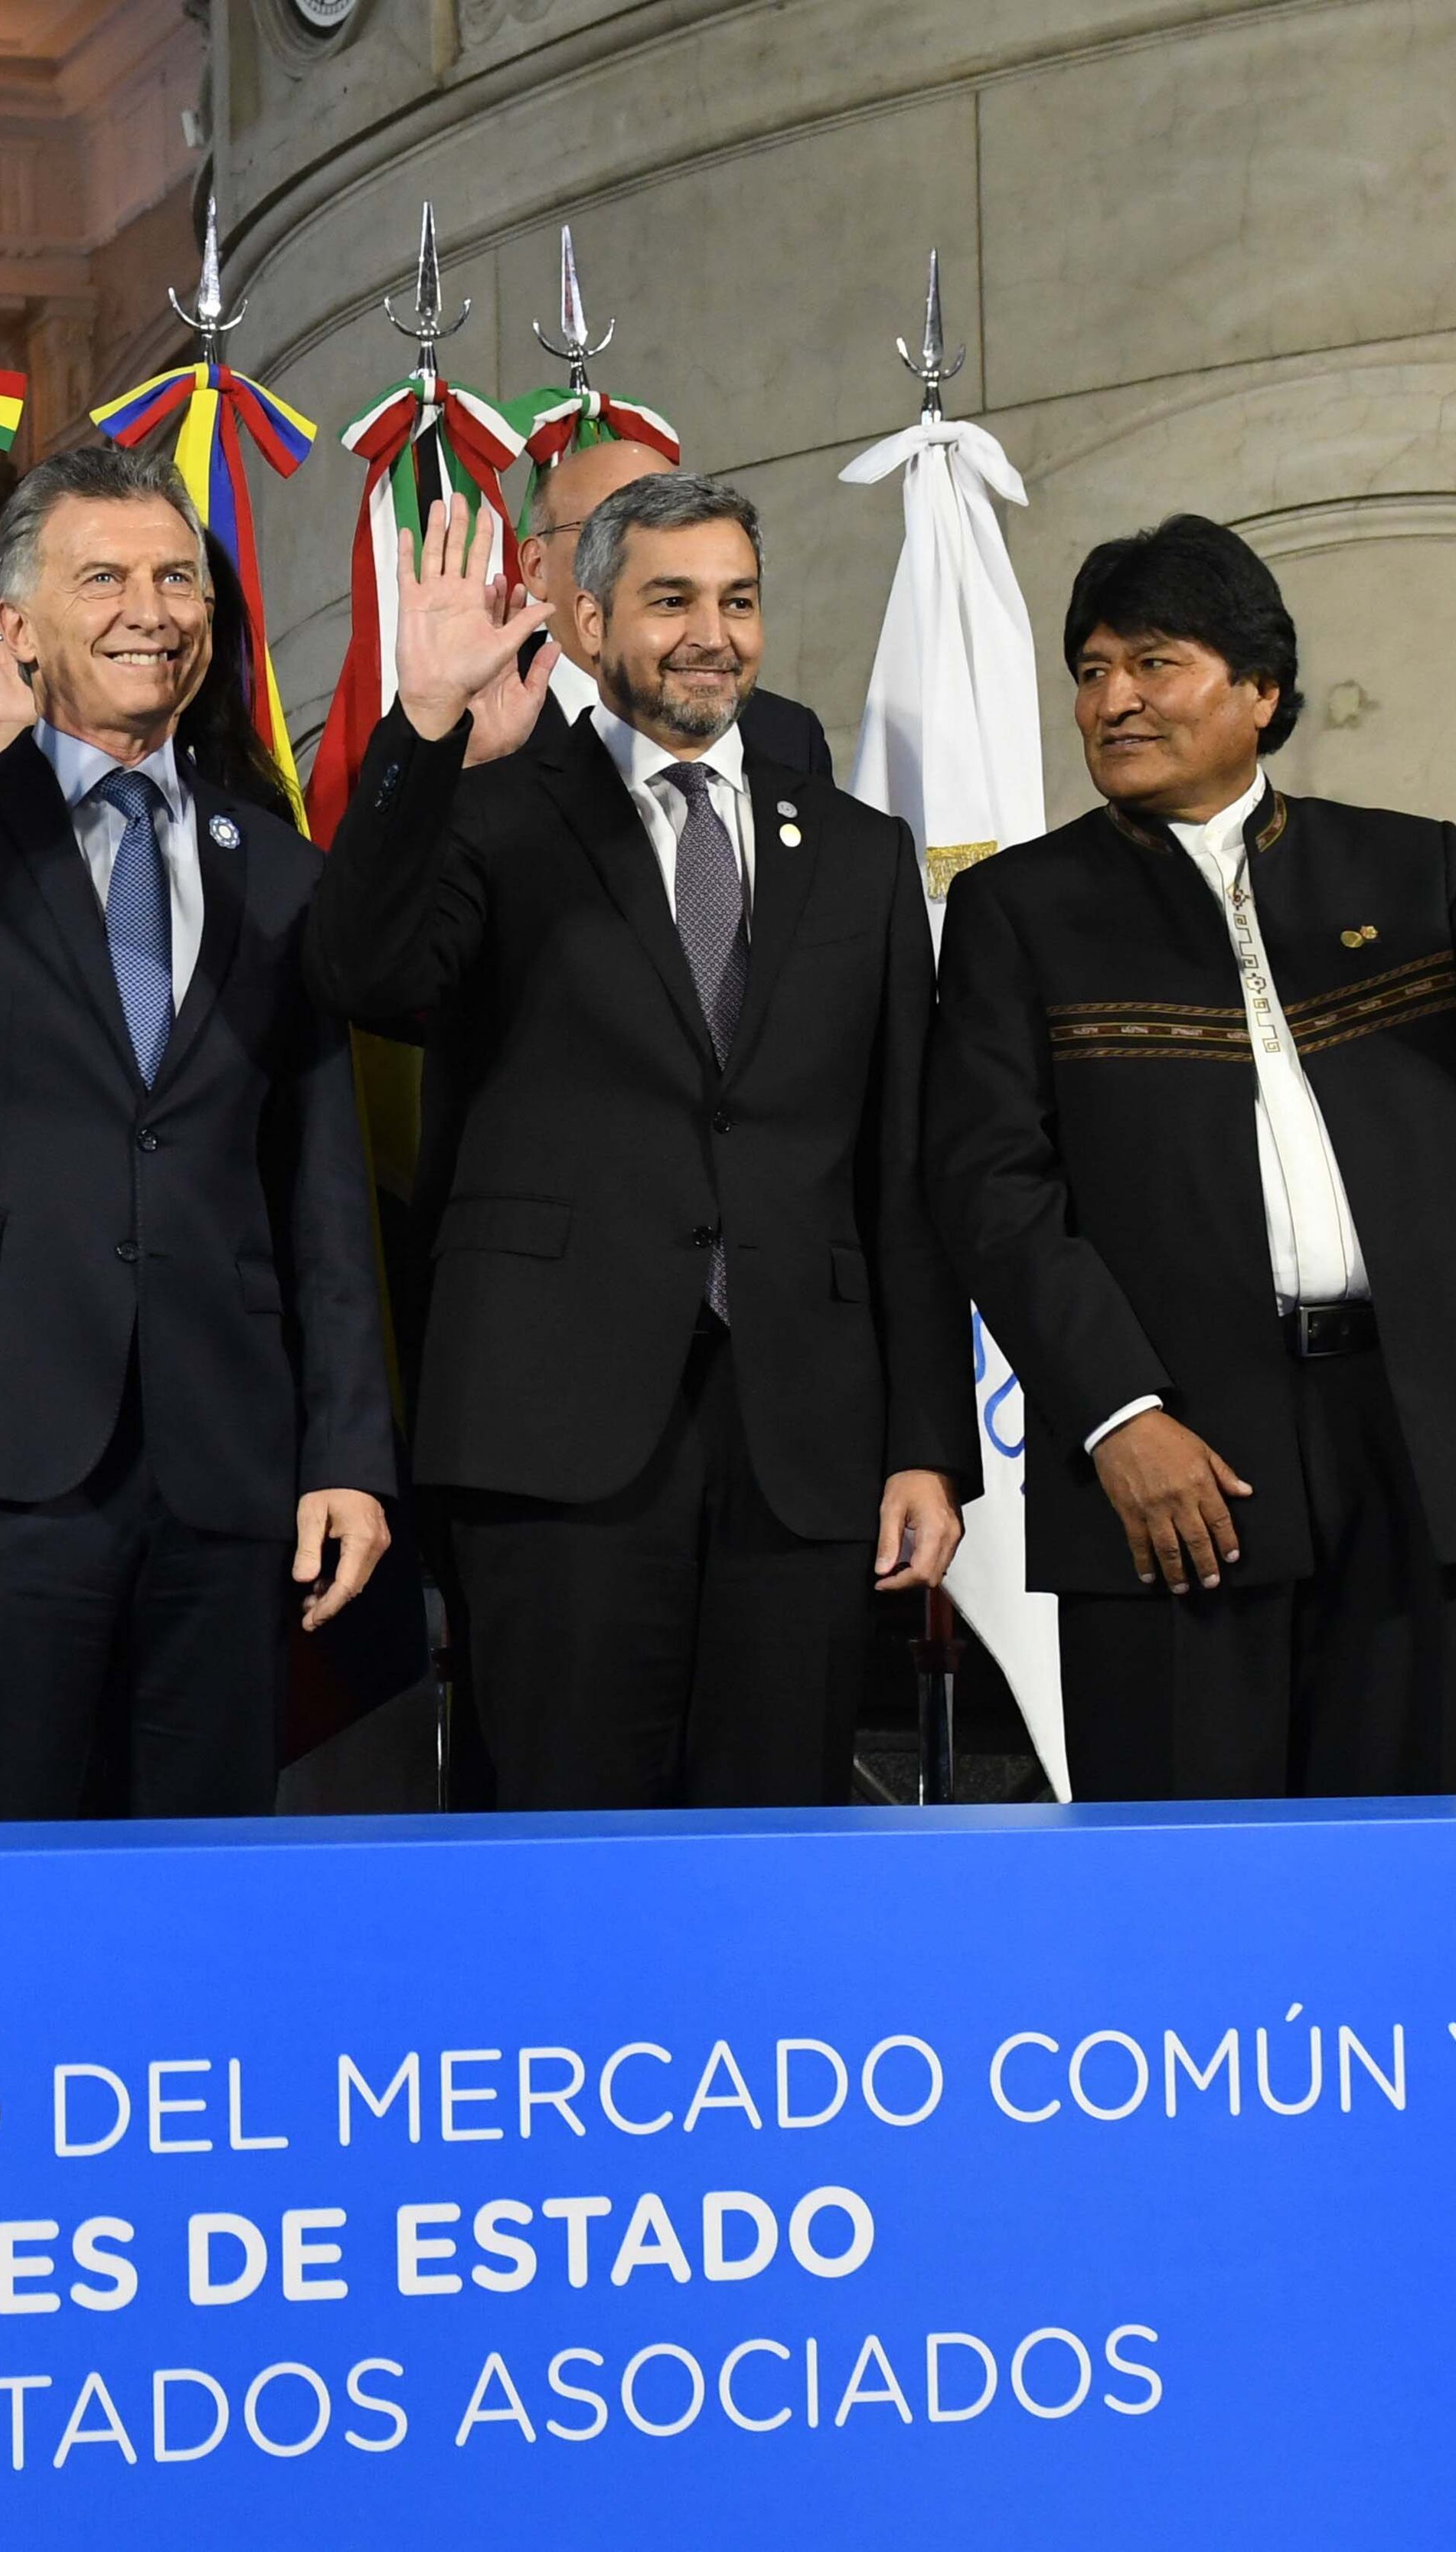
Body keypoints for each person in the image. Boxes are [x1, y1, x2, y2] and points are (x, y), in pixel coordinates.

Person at [0, 442, 397, 1819]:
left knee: (202, 1890)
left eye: (175, 576)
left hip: (222, 1472)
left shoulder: (278, 866)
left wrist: (346, 1452)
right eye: (102, 577)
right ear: (15, 629)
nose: (149, 608)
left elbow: (321, 1189)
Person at [311, 480, 971, 1809]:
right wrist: (426, 723)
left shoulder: (858, 851)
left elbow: (902, 1166)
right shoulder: (493, 819)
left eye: (736, 600)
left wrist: (925, 1439)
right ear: (588, 618)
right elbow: (362, 969)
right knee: (562, 1848)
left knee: (776, 1844)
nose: (709, 634)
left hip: (803, 1440)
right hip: (552, 1435)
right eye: (670, 601)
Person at [928, 516, 1456, 1797]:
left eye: (1153, 662)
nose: (1111, 699)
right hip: (1175, 1448)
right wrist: (1119, 1414)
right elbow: (990, 1188)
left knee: (1386, 1857)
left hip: (1408, 1441)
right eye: (1088, 669)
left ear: (1262, 689)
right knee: (1184, 1876)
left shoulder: (1405, 863)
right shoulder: (1022, 908)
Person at [517, 430, 832, 778]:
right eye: (607, 524)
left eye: (739, 602)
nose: (712, 638)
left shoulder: (788, 735)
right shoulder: (467, 729)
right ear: (536, 567)